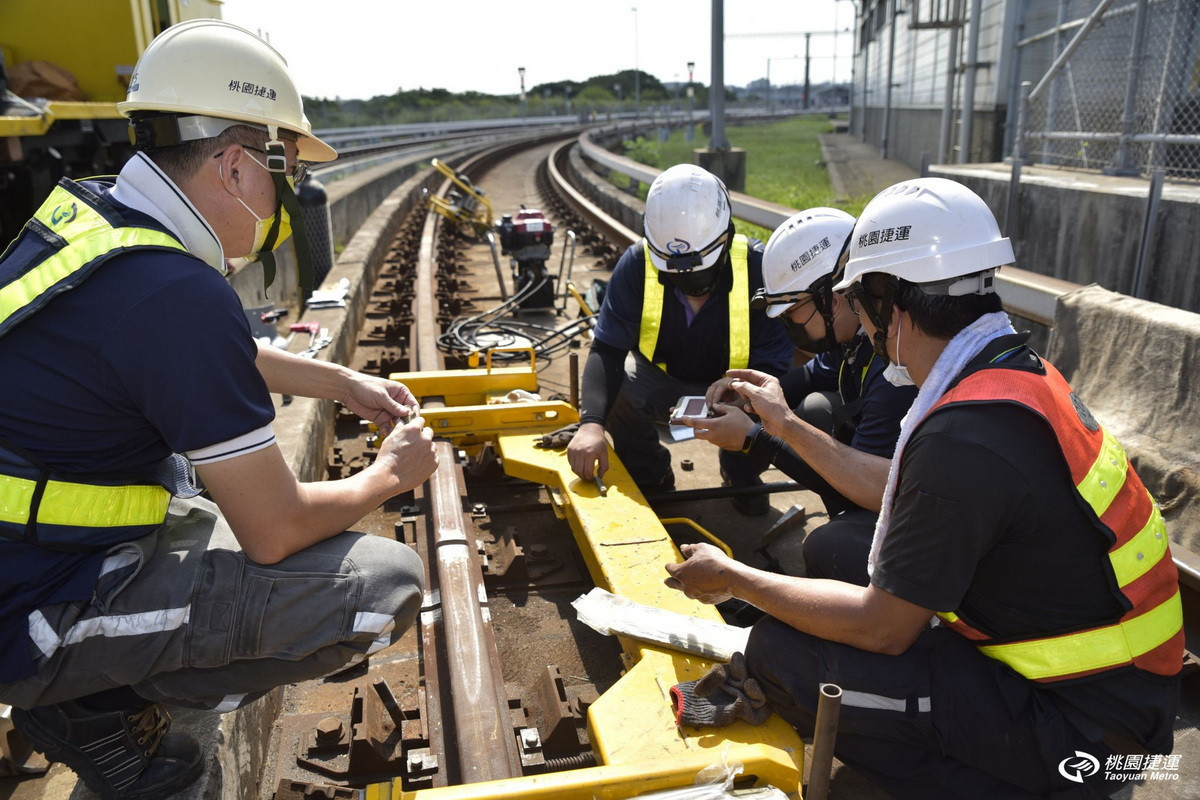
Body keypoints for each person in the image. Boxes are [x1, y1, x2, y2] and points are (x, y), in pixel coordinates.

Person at [0, 20, 437, 799]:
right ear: (236, 166)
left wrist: (343, 383)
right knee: (381, 590)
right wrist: (388, 477)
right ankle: (94, 707)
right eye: (285, 172)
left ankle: (91, 686)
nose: (287, 198)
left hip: (29, 555)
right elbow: (277, 530)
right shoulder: (175, 293)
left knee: (201, 479)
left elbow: (186, 353)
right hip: (31, 609)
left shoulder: (98, 220)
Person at [664, 177, 1182, 799]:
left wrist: (736, 578)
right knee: (836, 552)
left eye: (862, 299)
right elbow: (897, 491)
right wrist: (780, 426)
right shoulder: (1013, 373)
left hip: (1092, 735)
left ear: (890, 303)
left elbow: (883, 628)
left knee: (783, 657)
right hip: (1115, 687)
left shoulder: (962, 439)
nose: (863, 322)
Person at [678, 208, 917, 582]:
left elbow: (866, 489)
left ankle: (862, 547)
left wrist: (755, 439)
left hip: (906, 506)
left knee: (827, 546)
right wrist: (753, 396)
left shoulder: (895, 373)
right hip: (893, 479)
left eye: (792, 312)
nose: (789, 324)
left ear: (833, 298)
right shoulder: (859, 333)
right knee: (816, 408)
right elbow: (813, 373)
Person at [567, 164, 792, 514]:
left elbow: (775, 363)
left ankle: (741, 473)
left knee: (774, 398)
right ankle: (652, 477)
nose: (690, 284)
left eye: (701, 274)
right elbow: (606, 350)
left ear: (726, 237)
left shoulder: (757, 267)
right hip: (662, 383)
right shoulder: (637, 263)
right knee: (620, 384)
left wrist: (744, 396)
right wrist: (591, 424)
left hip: (734, 390)